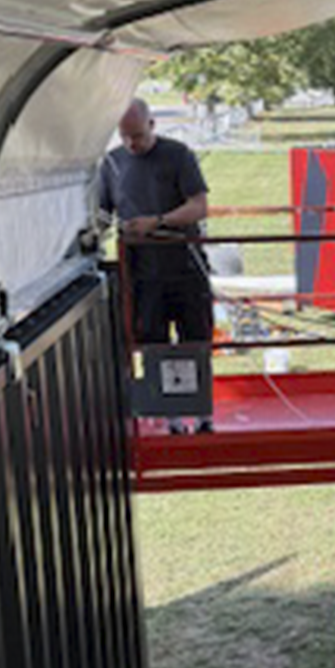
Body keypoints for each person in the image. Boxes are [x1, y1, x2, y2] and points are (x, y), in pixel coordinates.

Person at [97, 99, 213, 427]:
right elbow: (103, 214)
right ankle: (171, 416)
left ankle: (203, 413)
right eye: (125, 137)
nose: (132, 144)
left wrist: (158, 221)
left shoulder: (179, 155)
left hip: (185, 265)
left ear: (152, 126)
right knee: (153, 342)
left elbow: (199, 206)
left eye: (138, 135)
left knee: (196, 337)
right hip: (142, 273)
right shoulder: (112, 164)